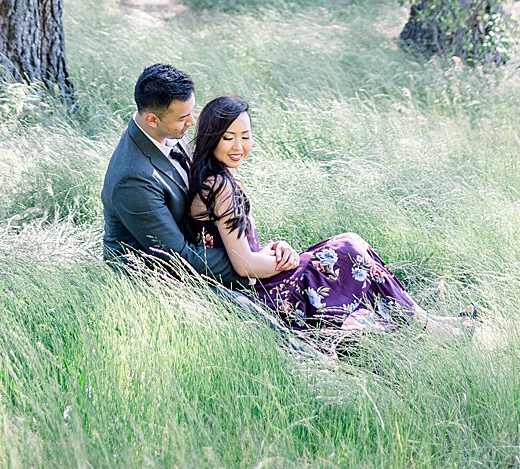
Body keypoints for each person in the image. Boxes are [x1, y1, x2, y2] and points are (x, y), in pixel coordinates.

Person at [187, 95, 476, 338]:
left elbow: (239, 247)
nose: (239, 146)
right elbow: (245, 266)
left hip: (261, 280)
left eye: (245, 137)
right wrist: (282, 261)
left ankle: (427, 320)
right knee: (349, 249)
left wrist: (278, 249)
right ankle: (428, 326)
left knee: (349, 247)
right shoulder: (219, 185)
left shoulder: (217, 178)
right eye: (228, 138)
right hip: (261, 293)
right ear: (213, 138)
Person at [101, 63, 255, 288]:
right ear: (152, 119)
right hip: (152, 280)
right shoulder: (133, 179)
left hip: (199, 254)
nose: (192, 122)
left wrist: (254, 253)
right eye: (184, 117)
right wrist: (250, 262)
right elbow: (177, 258)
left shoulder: (166, 131)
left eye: (192, 112)